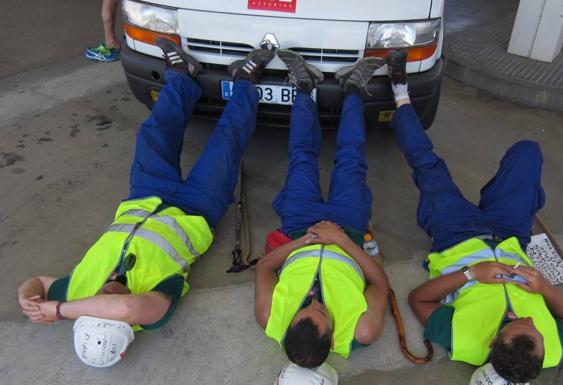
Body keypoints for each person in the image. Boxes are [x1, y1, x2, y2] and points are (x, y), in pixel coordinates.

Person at [17, 38, 275, 366]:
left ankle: (183, 76)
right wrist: (60, 311)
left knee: (156, 132)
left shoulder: (77, 292)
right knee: (226, 141)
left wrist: (27, 298)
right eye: (111, 318)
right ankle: (245, 82)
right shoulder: (151, 313)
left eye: (98, 310)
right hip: (197, 208)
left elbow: (38, 282)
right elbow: (126, 308)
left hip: (143, 196)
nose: (107, 301)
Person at [385, 50, 563, 383]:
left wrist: (471, 273)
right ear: (543, 350)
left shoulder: (462, 342)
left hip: (455, 237)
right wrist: (543, 287)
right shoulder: (554, 350)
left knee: (429, 169)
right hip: (509, 236)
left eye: (516, 323)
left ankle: (399, 93)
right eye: (535, 328)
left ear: (493, 342)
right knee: (528, 152)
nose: (530, 319)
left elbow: (418, 298)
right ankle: (500, 200)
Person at [254, 50, 389, 368]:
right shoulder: (363, 330)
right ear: (332, 337)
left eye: (306, 307)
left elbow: (263, 268)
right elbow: (380, 282)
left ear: (290, 325)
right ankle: (353, 88)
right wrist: (340, 240)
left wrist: (306, 240)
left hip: (301, 229)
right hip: (349, 233)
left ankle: (304, 87)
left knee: (301, 156)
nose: (315, 302)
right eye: (323, 313)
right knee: (352, 159)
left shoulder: (269, 317)